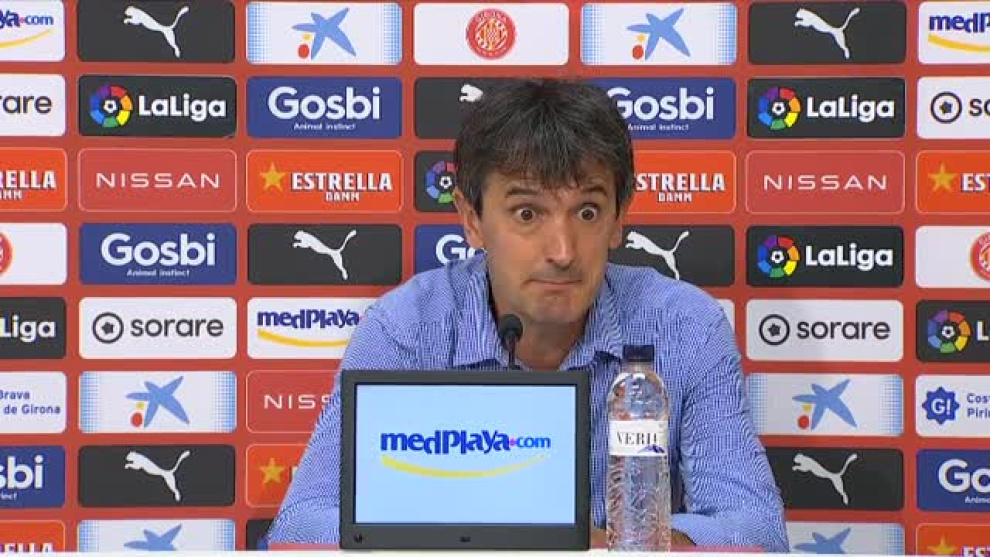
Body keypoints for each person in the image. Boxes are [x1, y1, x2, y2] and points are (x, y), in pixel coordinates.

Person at [264, 78, 789, 551]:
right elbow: (301, 526)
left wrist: (613, 545)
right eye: (527, 213)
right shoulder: (407, 328)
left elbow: (755, 529)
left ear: (618, 219)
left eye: (587, 211)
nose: (562, 250)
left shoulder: (685, 327)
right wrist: (506, 534)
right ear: (471, 219)